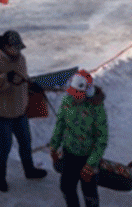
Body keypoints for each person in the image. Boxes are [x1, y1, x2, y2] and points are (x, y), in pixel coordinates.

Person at [0, 30, 48, 193]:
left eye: (20, 48)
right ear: (6, 46)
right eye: (15, 48)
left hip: (19, 111)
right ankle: (0, 178)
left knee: (26, 142)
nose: (18, 51)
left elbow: (22, 77)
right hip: (2, 114)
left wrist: (31, 84)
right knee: (5, 147)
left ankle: (29, 170)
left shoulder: (21, 59)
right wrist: (4, 78)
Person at [50, 68, 108, 207]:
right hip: (69, 153)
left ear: (88, 91)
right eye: (73, 93)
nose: (75, 97)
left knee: (89, 192)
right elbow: (60, 124)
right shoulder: (67, 101)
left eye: (79, 94)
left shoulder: (97, 108)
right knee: (66, 187)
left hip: (88, 157)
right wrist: (54, 146)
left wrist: (91, 164)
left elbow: (101, 139)